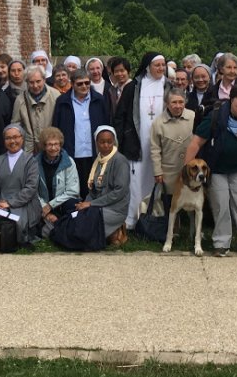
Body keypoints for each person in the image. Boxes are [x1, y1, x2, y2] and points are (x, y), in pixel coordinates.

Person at [186, 82, 237, 258]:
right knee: (221, 204)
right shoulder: (215, 117)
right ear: (232, 99)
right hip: (216, 168)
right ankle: (221, 243)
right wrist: (187, 170)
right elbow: (196, 142)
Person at [113, 52, 171, 228]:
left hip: (160, 144)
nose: (161, 68)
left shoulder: (168, 86)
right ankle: (133, 220)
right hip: (136, 143)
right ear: (148, 67)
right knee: (136, 182)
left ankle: (154, 220)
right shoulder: (134, 87)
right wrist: (120, 140)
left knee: (158, 180)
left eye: (163, 65)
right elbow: (120, 115)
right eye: (157, 65)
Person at [53, 69, 110, 195]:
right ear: (72, 84)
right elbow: (56, 127)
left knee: (95, 189)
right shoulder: (62, 102)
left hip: (94, 153)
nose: (84, 86)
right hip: (72, 154)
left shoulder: (99, 100)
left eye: (87, 83)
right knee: (74, 191)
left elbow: (107, 124)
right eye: (80, 84)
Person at [79, 125, 131, 246]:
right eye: (102, 142)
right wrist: (84, 204)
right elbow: (93, 190)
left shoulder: (120, 161)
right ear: (96, 142)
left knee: (88, 222)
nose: (106, 145)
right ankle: (111, 232)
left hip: (116, 208)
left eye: (109, 142)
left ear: (114, 142)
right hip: (99, 205)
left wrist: (90, 204)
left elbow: (119, 192)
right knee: (79, 215)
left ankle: (117, 229)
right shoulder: (98, 161)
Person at [0, 123, 40, 245]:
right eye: (8, 138)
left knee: (18, 224)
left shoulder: (31, 161)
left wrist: (10, 203)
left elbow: (31, 188)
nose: (12, 141)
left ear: (22, 138)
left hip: (24, 203)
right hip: (0, 203)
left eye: (16, 137)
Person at [149, 89, 195, 205]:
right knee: (170, 204)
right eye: (174, 102)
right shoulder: (158, 123)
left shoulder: (193, 117)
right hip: (169, 171)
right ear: (167, 103)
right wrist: (157, 171)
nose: (178, 106)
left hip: (190, 169)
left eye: (181, 102)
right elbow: (155, 149)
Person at [34, 126, 79, 237]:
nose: (53, 148)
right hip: (43, 206)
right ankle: (54, 224)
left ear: (60, 145)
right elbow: (33, 190)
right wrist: (46, 209)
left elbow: (73, 191)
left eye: (56, 144)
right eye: (49, 144)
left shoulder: (69, 162)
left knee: (73, 205)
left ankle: (57, 225)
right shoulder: (35, 163)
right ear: (44, 146)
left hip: (61, 204)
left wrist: (50, 205)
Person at [10, 65, 55, 154]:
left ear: (44, 79)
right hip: (29, 149)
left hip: (51, 147)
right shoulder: (20, 100)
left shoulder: (55, 96)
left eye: (38, 81)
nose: (35, 85)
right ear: (26, 82)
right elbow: (15, 125)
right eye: (31, 82)